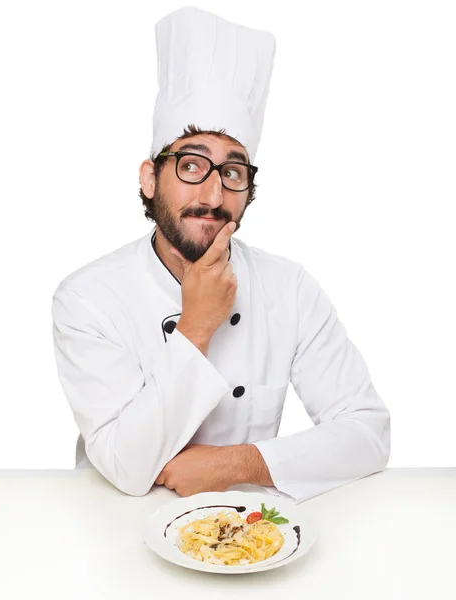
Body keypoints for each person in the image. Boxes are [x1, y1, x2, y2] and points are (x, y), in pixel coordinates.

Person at [51, 7, 390, 504]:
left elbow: (368, 433)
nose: (212, 194)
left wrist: (237, 463)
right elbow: (125, 466)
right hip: (114, 528)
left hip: (247, 529)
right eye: (191, 164)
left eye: (232, 172)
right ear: (150, 177)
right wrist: (197, 326)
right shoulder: (87, 299)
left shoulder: (288, 288)